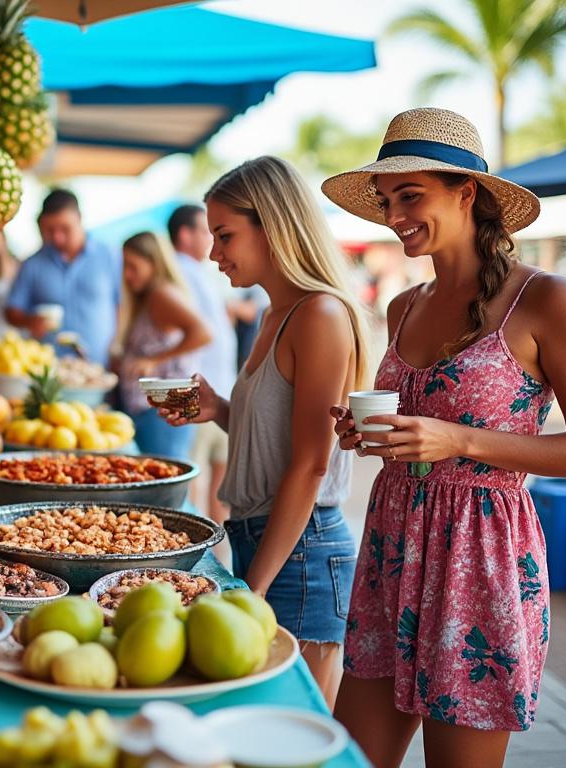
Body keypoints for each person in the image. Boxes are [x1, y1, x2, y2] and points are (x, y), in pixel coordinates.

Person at [325, 108, 566, 768]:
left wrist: (456, 440)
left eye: (410, 196)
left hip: (479, 563)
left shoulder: (547, 299)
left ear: (467, 193)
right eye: (386, 200)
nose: (394, 214)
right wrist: (371, 435)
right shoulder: (404, 305)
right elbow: (416, 432)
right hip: (391, 549)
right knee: (348, 759)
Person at [159, 156, 370, 707]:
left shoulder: (318, 314)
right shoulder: (276, 313)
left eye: (225, 235)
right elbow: (278, 440)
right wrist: (220, 409)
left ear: (272, 224)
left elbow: (311, 463)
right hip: (268, 540)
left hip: (300, 549)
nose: (213, 254)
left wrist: (252, 587)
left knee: (294, 723)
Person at [113, 231, 211, 460]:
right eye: (125, 267)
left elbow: (203, 333)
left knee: (168, 485)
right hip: (157, 407)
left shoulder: (162, 294)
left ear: (154, 263)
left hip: (165, 406)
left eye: (133, 266)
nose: (127, 275)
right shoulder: (149, 297)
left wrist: (153, 360)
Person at [168, 204, 235, 522]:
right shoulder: (177, 270)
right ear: (185, 234)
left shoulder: (200, 272)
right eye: (207, 232)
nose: (212, 244)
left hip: (219, 387)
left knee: (218, 480)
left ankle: (214, 547)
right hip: (200, 389)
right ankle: (205, 547)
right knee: (195, 480)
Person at [4, 189, 121, 365]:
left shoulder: (110, 256)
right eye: (50, 230)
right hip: (47, 367)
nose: (58, 238)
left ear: (80, 219)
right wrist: (29, 321)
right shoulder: (32, 264)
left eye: (65, 229)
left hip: (100, 365)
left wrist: (118, 346)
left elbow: (123, 305)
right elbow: (11, 311)